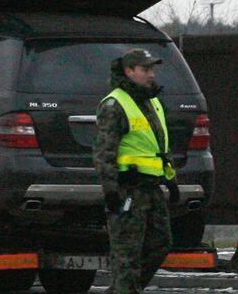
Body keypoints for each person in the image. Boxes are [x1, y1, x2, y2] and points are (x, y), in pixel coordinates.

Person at [93, 48, 174, 294]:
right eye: (145, 69)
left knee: (161, 243)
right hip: (128, 190)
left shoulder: (152, 101)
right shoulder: (115, 104)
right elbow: (104, 153)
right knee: (126, 254)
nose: (151, 75)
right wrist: (111, 190)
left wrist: (170, 180)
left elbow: (155, 146)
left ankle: (125, 289)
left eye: (152, 69)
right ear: (129, 71)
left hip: (151, 188)